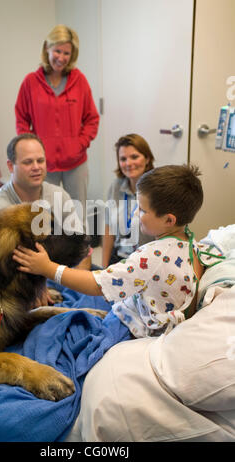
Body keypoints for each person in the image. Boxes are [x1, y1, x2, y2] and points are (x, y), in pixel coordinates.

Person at [12, 164, 224, 337]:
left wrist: (49, 268)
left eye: (142, 209)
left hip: (131, 329)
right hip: (147, 306)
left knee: (55, 330)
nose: (135, 212)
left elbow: (97, 284)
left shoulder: (152, 257)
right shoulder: (191, 242)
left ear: (169, 219)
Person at [15, 24, 99, 220]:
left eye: (67, 53)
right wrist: (31, 149)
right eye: (57, 51)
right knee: (44, 215)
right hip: (43, 163)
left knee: (77, 214)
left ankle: (81, 250)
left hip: (76, 163)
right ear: (47, 48)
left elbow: (92, 118)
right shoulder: (30, 82)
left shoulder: (80, 81)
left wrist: (79, 144)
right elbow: (21, 118)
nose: (61, 57)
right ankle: (46, 251)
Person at [102, 133, 155, 268]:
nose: (128, 163)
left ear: (147, 158)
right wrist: (103, 269)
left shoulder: (157, 189)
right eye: (123, 159)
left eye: (134, 157)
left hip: (147, 261)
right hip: (119, 257)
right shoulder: (116, 186)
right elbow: (109, 230)